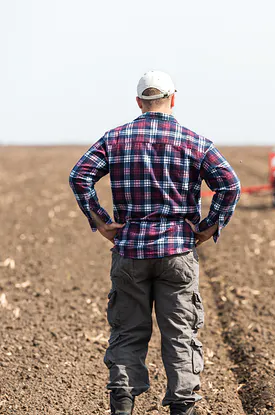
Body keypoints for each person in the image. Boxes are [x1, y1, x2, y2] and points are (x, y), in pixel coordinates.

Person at [69, 70, 241, 415]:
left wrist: (101, 221)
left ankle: (122, 406)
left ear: (139, 103)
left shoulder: (115, 138)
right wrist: (208, 227)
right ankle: (182, 407)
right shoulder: (194, 141)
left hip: (130, 252)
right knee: (180, 334)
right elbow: (230, 185)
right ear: (173, 99)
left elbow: (80, 176)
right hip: (178, 251)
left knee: (128, 332)